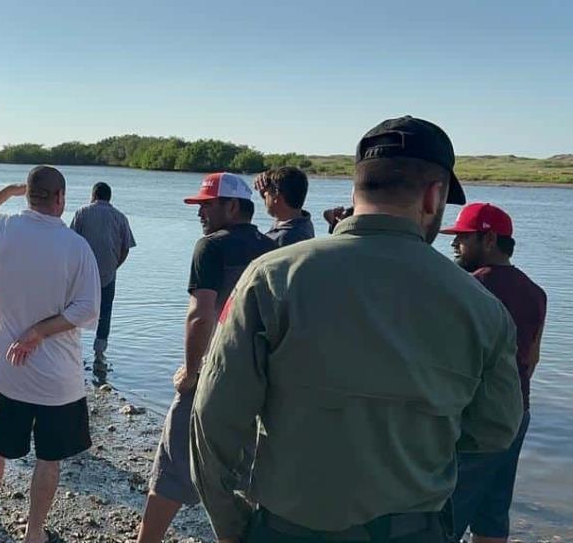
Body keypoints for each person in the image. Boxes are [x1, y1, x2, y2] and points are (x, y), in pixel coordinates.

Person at [189, 116, 523, 543]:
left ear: (356, 190)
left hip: (288, 528)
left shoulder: (271, 278)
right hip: (413, 531)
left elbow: (214, 418)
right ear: (434, 196)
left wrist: (234, 528)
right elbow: (495, 429)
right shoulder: (483, 308)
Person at [0, 165, 100, 543]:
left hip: (7, 369)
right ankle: (34, 532)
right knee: (48, 457)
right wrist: (39, 332)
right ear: (60, 198)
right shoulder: (75, 246)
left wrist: (6, 191)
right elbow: (87, 310)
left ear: (28, 195)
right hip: (58, 379)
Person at [137, 172, 275, 543]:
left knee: (173, 466)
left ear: (233, 206)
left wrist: (192, 373)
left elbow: (201, 315)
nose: (200, 213)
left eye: (207, 205)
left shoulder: (211, 246)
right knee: (245, 476)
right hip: (260, 382)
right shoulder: (273, 249)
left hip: (214, 375)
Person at [442, 203, 547, 543]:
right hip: (518, 413)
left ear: (489, 239)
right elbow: (532, 359)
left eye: (462, 238)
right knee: (492, 515)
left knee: (445, 517)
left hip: (476, 421)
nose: (455, 245)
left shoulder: (469, 287)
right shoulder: (536, 292)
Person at [69, 182, 136, 357]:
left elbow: (72, 243)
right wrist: (115, 266)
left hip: (84, 273)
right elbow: (126, 248)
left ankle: (71, 344)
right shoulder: (120, 217)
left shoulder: (82, 213)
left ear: (93, 195)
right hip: (108, 272)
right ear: (109, 197)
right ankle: (99, 352)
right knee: (105, 312)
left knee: (75, 307)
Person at [252, 166, 314, 247]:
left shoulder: (285, 238)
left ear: (276, 195)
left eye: (266, 193)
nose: (264, 195)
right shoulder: (303, 222)